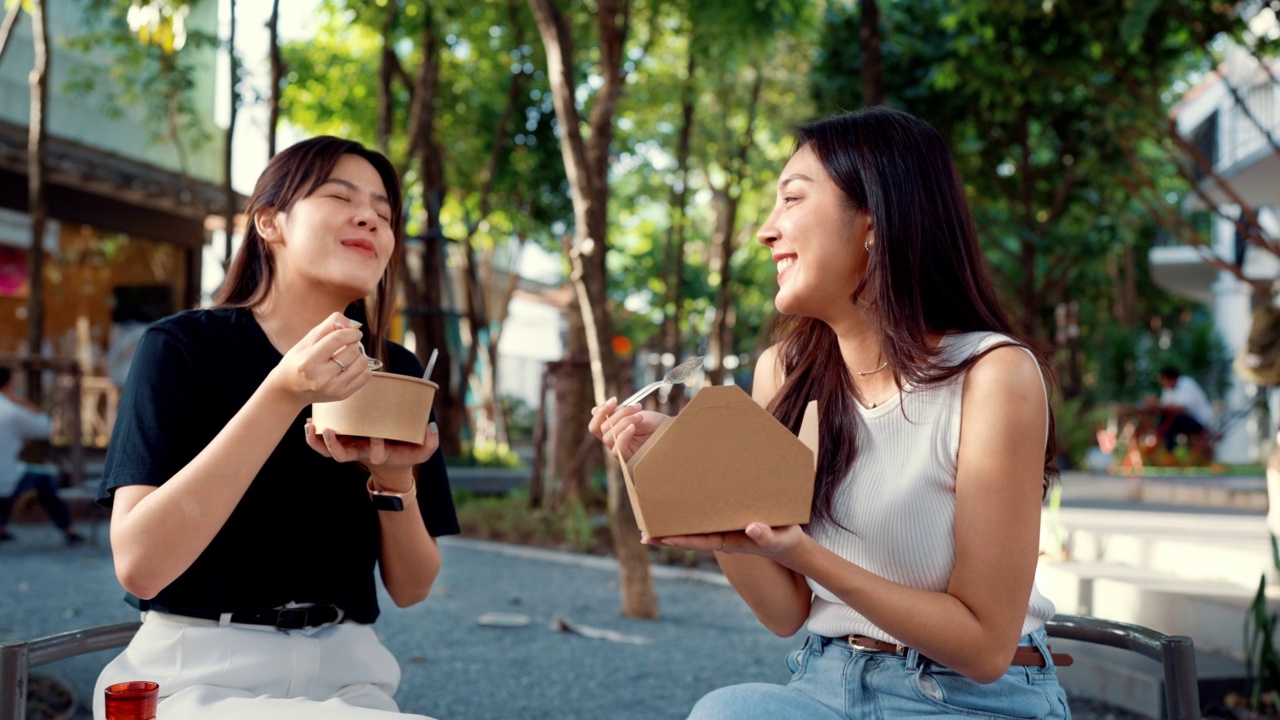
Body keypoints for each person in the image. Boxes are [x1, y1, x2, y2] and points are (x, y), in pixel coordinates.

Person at [590, 107, 1070, 719]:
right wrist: (699, 481)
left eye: (791, 199)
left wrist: (802, 552)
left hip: (969, 700)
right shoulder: (783, 373)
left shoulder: (992, 374)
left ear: (873, 221)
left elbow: (983, 648)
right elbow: (786, 612)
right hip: (824, 680)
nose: (766, 230)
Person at [93, 136, 458, 720]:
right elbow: (140, 564)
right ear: (270, 222)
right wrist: (283, 393)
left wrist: (395, 482)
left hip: (349, 676)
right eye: (339, 197)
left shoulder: (398, 373)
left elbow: (412, 588)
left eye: (384, 214)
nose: (369, 217)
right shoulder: (182, 349)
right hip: (198, 674)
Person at [0, 366, 85, 544]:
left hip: (7, 472)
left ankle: (2, 527)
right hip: (6, 473)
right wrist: (24, 402)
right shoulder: (11, 410)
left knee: (14, 475)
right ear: (8, 384)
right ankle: (68, 529)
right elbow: (43, 429)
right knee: (42, 478)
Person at [1153, 365, 1213, 451]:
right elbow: (1164, 406)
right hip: (1182, 421)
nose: (1162, 384)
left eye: (1163, 380)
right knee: (1165, 418)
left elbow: (1183, 408)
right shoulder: (1168, 389)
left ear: (1171, 379)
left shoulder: (1187, 384)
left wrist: (1159, 405)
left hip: (1199, 421)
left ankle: (1169, 450)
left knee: (1173, 419)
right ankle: (1164, 447)